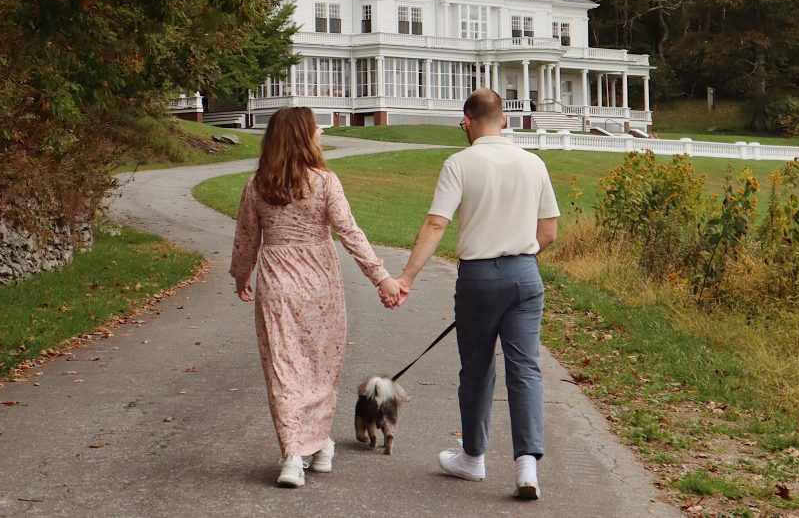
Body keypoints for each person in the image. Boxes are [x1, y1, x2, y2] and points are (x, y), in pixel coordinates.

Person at [394, 89, 559, 499]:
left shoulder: (459, 164)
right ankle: (526, 467)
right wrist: (520, 256)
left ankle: (473, 458)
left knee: (477, 369)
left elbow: (436, 225)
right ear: (504, 120)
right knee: (525, 370)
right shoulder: (533, 163)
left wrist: (407, 278)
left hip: (478, 279)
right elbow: (549, 232)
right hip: (525, 276)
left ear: (466, 120)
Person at [229, 107, 403, 488]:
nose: (321, 132)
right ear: (303, 137)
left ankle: (305, 450)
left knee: (284, 372)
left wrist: (241, 277)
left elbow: (245, 241)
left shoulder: (257, 184)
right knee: (321, 371)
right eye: (316, 127)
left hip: (277, 286)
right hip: (321, 285)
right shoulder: (325, 182)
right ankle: (306, 449)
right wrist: (382, 278)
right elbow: (350, 232)